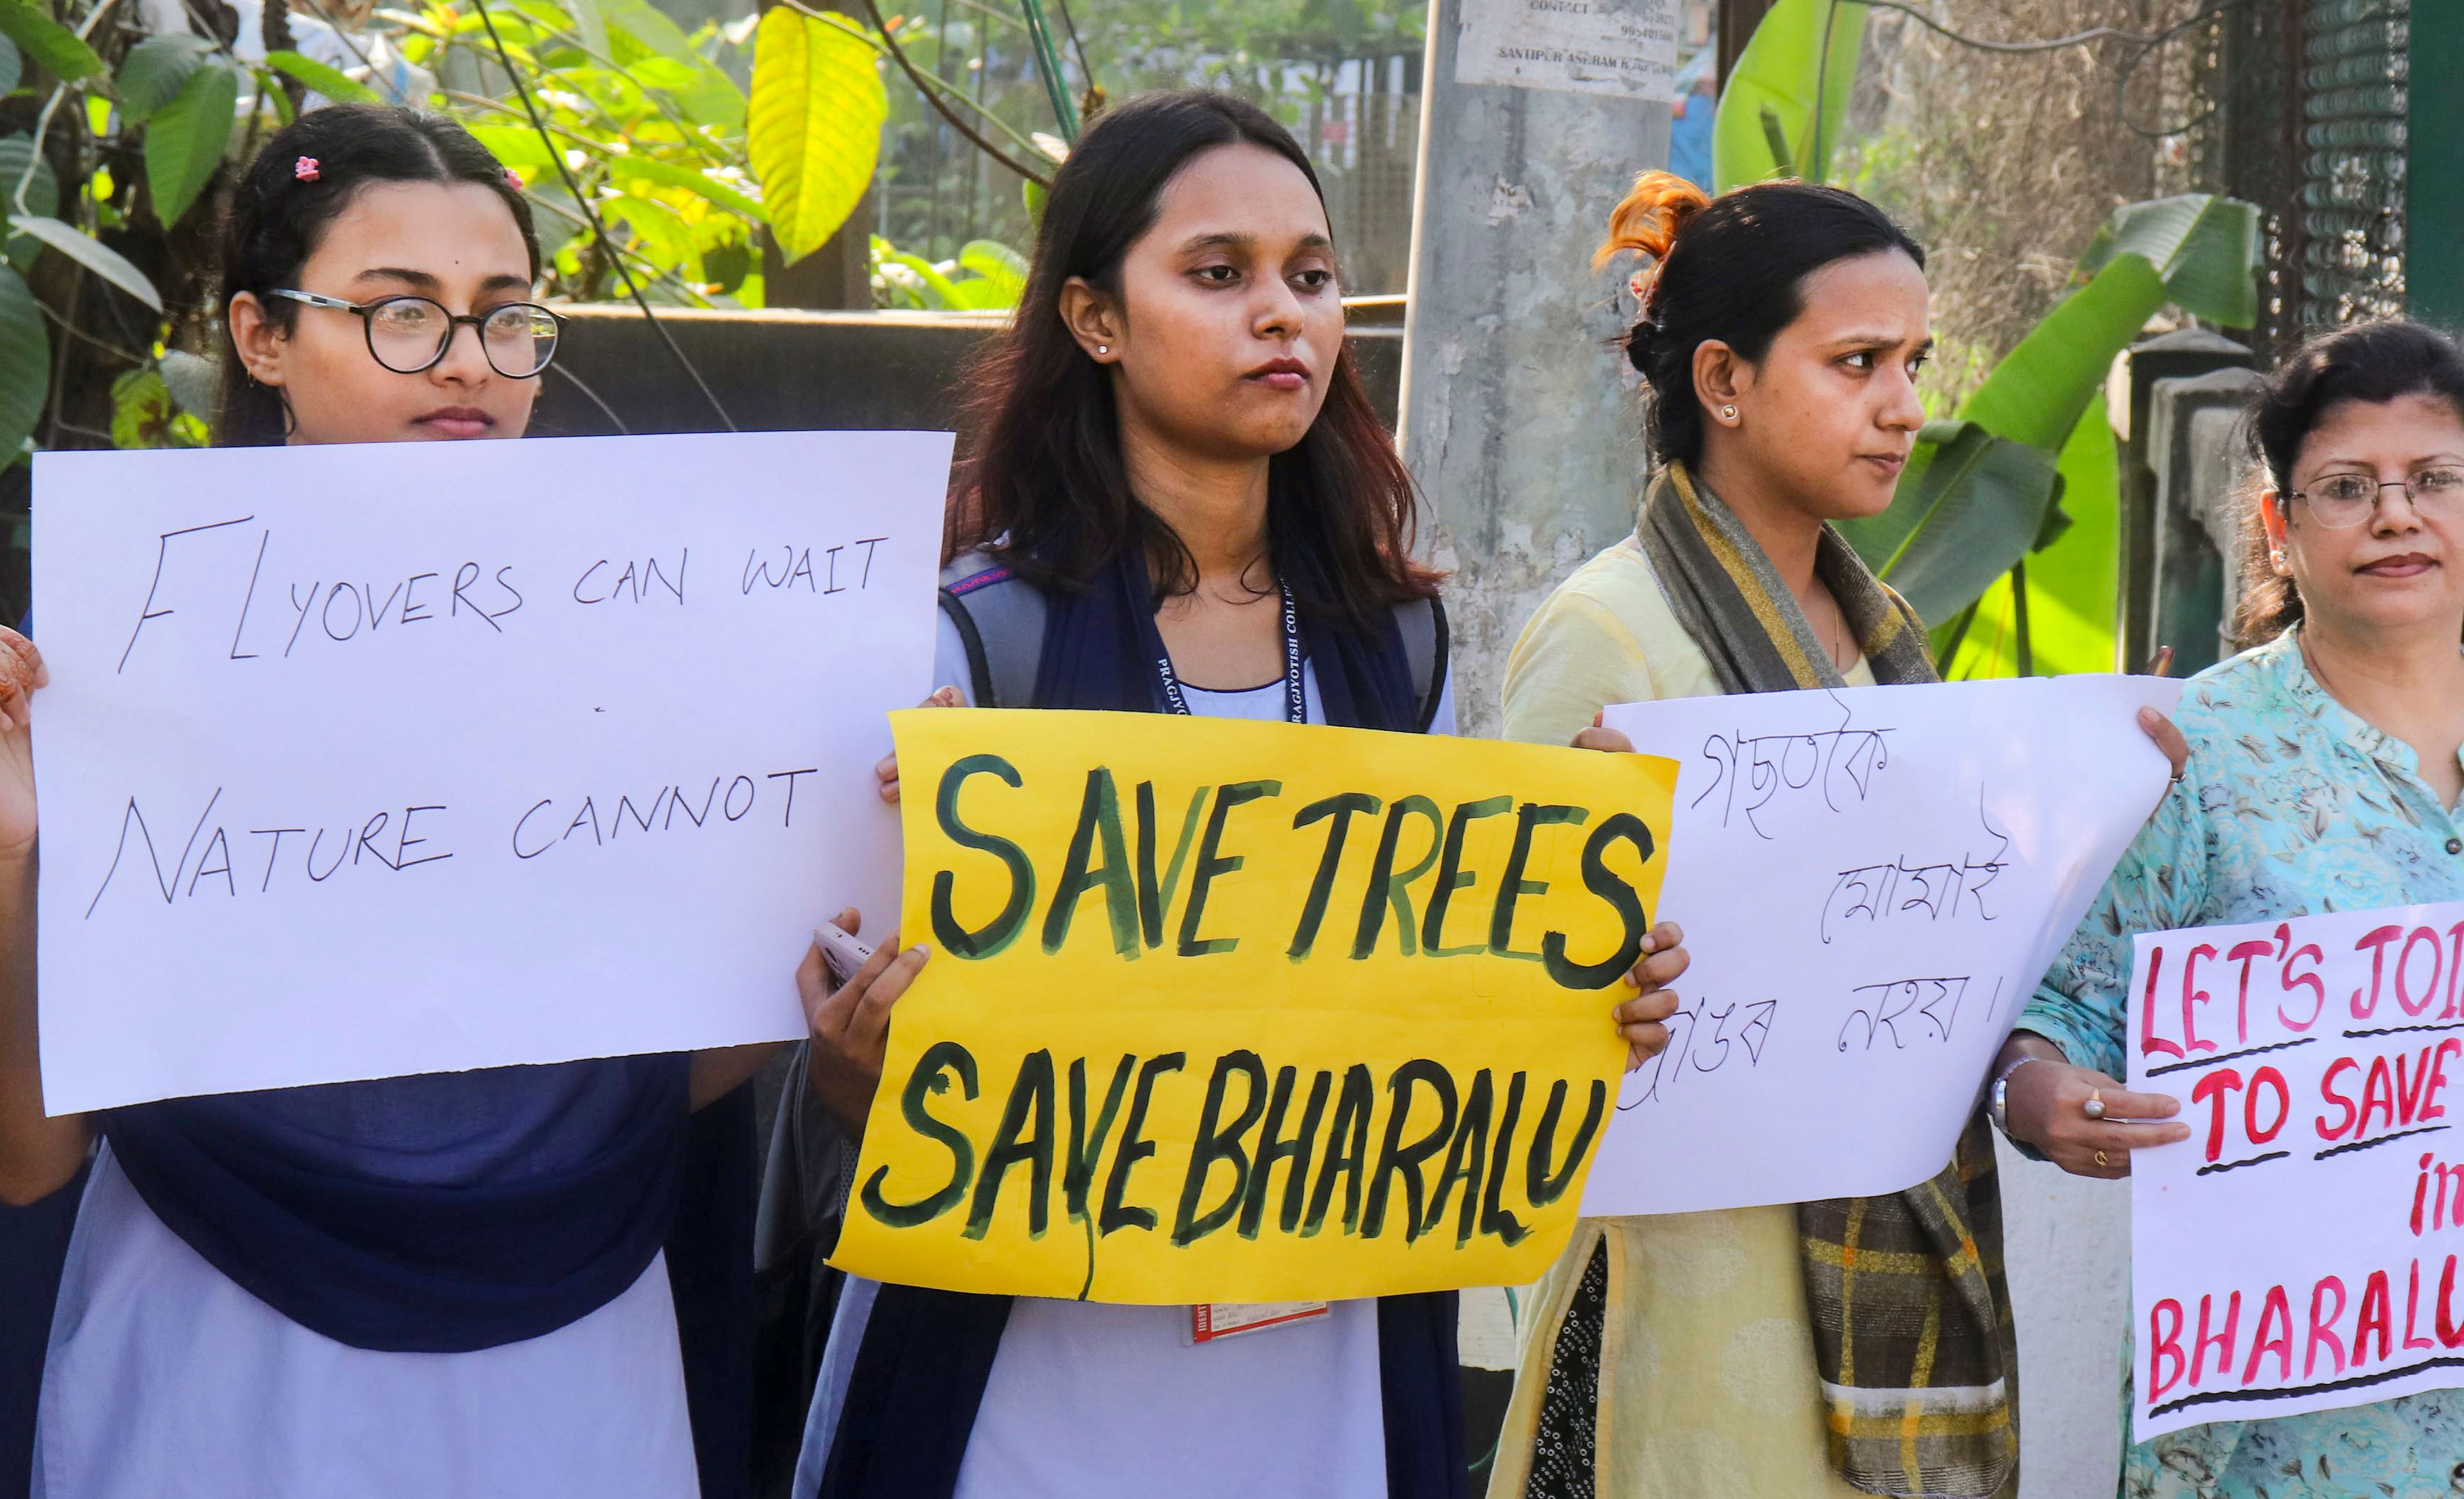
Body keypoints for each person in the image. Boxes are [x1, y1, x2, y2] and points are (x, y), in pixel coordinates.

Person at [781, 91, 1689, 1499]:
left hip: (1325, 1377)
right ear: (1093, 318)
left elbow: (1417, 1012)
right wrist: (854, 1065)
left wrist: (1574, 996)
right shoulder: (965, 644)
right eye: (1220, 275)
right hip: (1025, 1378)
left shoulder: (1399, 644)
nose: (1286, 315)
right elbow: (835, 1034)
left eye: (1312, 277)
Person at [0, 104, 768, 1499]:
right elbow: (33, 1147)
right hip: (219, 1343)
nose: (467, 361)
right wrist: (9, 860)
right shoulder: (120, 648)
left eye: (504, 316)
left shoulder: (665, 635)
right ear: (259, 337)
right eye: (399, 313)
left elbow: (678, 1073)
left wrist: (845, 855)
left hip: (578, 1338)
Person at [1487, 170, 2182, 1499]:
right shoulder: (1610, 633)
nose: (1907, 407)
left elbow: (1916, 965)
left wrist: (2091, 815)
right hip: (1683, 1308)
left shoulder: (1884, 640)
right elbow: (1506, 997)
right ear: (1724, 382)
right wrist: (1591, 975)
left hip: (1874, 1320)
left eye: (1914, 362)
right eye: (1857, 362)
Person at [1999, 318, 2464, 1495]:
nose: (2397, 516)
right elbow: (2064, 1011)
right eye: (2347, 488)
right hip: (2274, 1423)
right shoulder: (2190, 745)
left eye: (2434, 481)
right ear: (2279, 529)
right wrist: (2042, 1093)